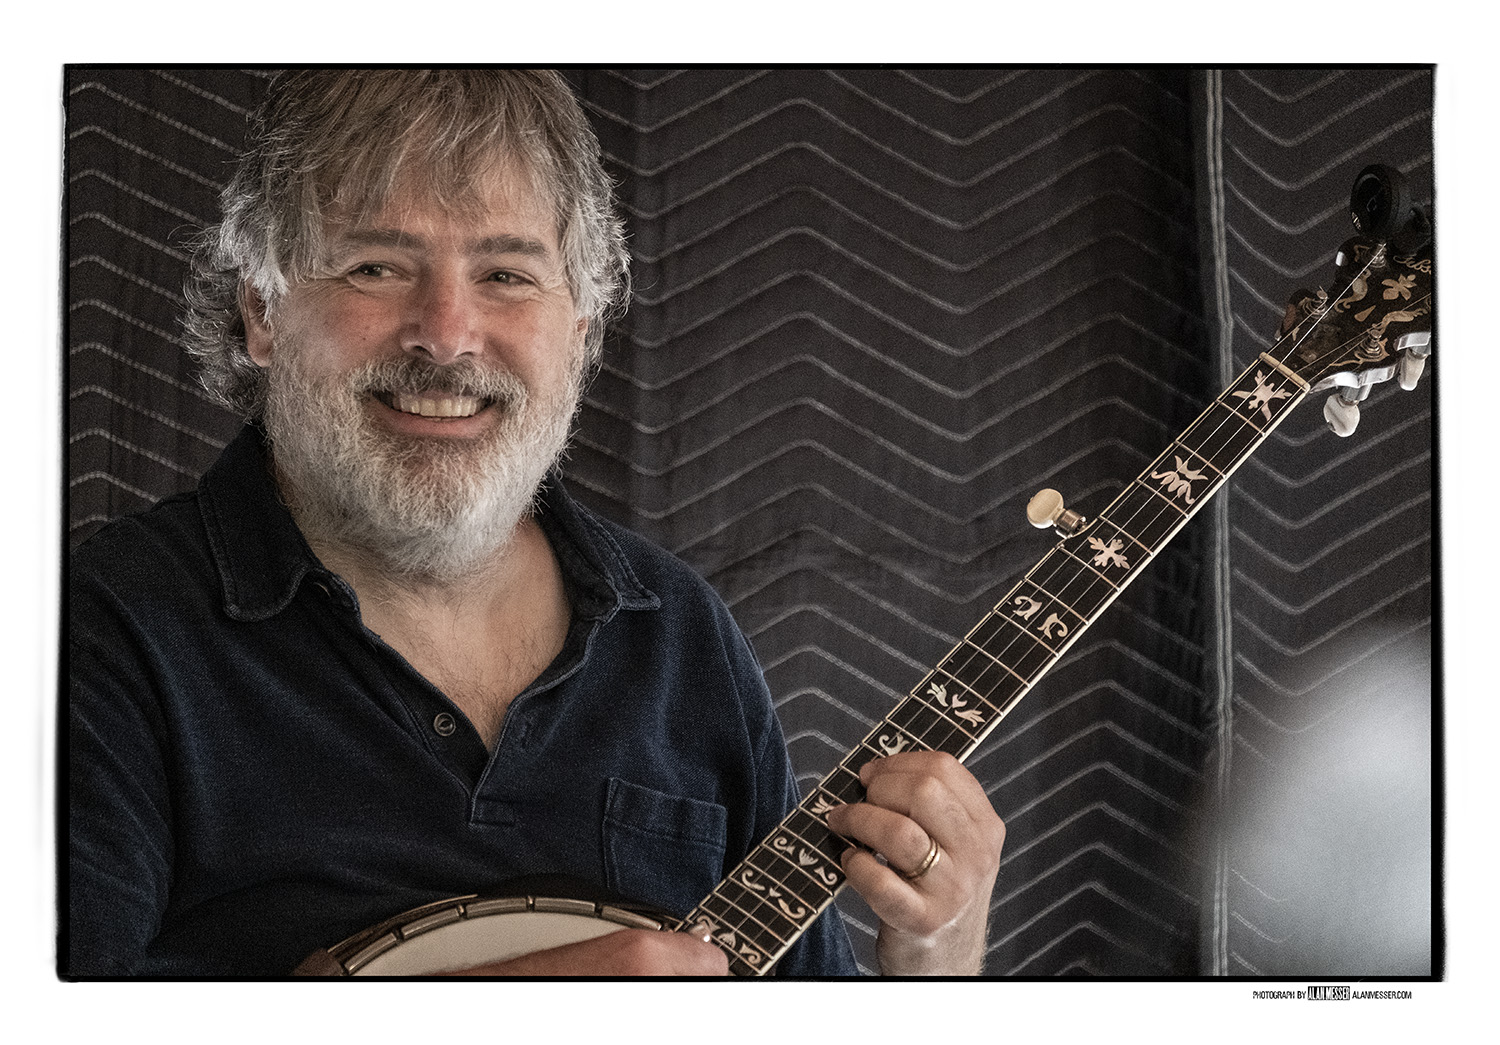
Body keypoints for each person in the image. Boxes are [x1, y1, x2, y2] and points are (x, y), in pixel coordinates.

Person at [67, 69, 1006, 977]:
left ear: (584, 329)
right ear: (262, 310)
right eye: (376, 265)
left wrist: (938, 957)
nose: (446, 332)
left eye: (508, 273)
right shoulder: (104, 628)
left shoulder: (679, 635)